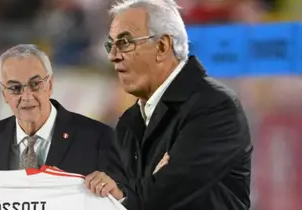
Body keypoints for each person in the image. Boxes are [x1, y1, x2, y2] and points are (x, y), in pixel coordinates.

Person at [85, 0, 253, 209]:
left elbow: (164, 197)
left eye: (125, 42)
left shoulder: (214, 106)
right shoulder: (129, 123)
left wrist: (125, 194)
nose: (113, 56)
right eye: (111, 45)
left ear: (162, 46)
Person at [0, 44, 126, 190]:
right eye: (15, 88)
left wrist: (114, 191)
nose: (26, 96)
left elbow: (126, 196)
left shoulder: (96, 137)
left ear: (50, 84)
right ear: (4, 94)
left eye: (35, 84)